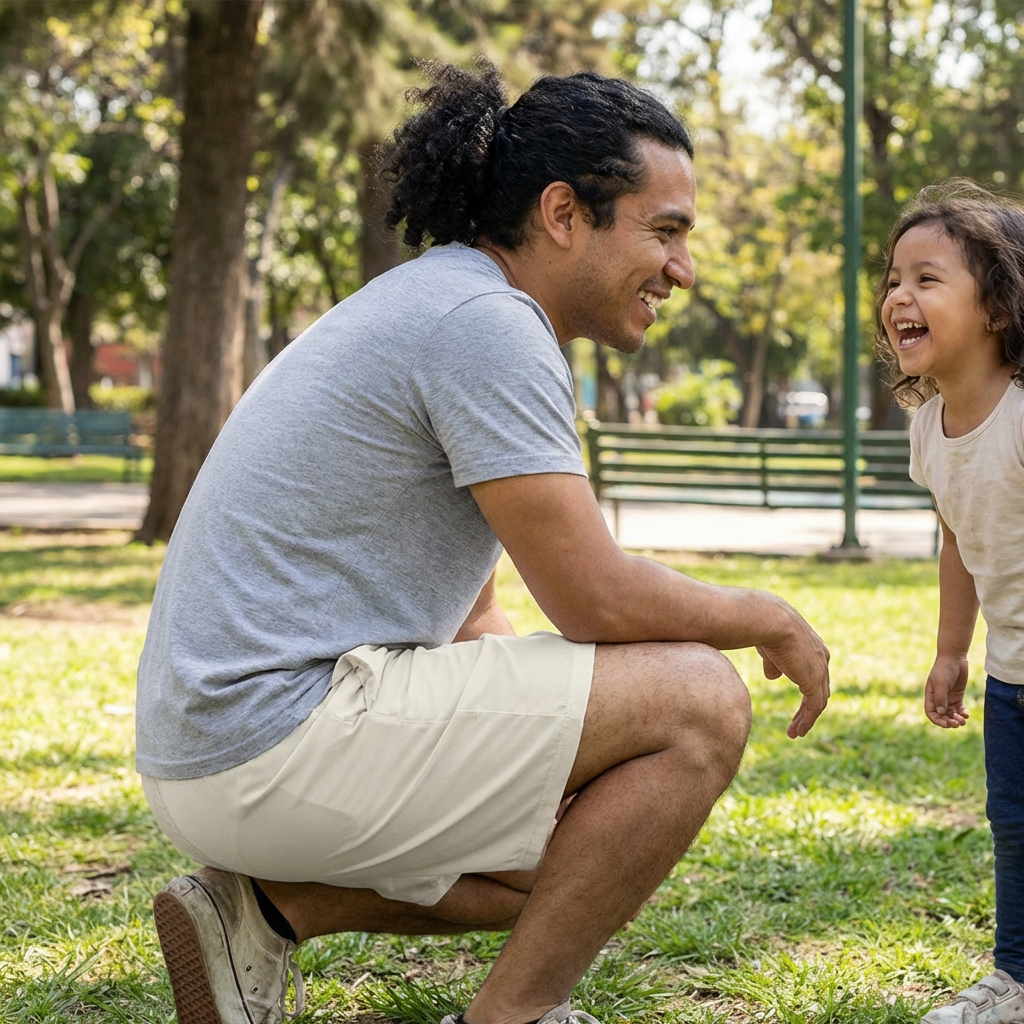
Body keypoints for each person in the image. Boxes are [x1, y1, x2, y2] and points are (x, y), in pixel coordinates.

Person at [140, 62, 831, 1024]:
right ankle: (512, 1017)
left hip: (211, 752)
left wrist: (573, 762)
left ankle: (260, 912)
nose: (683, 269)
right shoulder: (485, 325)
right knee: (700, 700)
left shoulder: (449, 302)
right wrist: (766, 617)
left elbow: (473, 613)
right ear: (563, 213)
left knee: (585, 841)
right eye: (664, 231)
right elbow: (592, 598)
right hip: (267, 738)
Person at [877, 179, 1024, 1024]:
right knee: (1014, 823)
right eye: (895, 279)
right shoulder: (928, 429)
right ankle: (1016, 977)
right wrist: (949, 652)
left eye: (927, 278)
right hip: (1010, 675)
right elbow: (957, 543)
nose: (900, 295)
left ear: (997, 307)